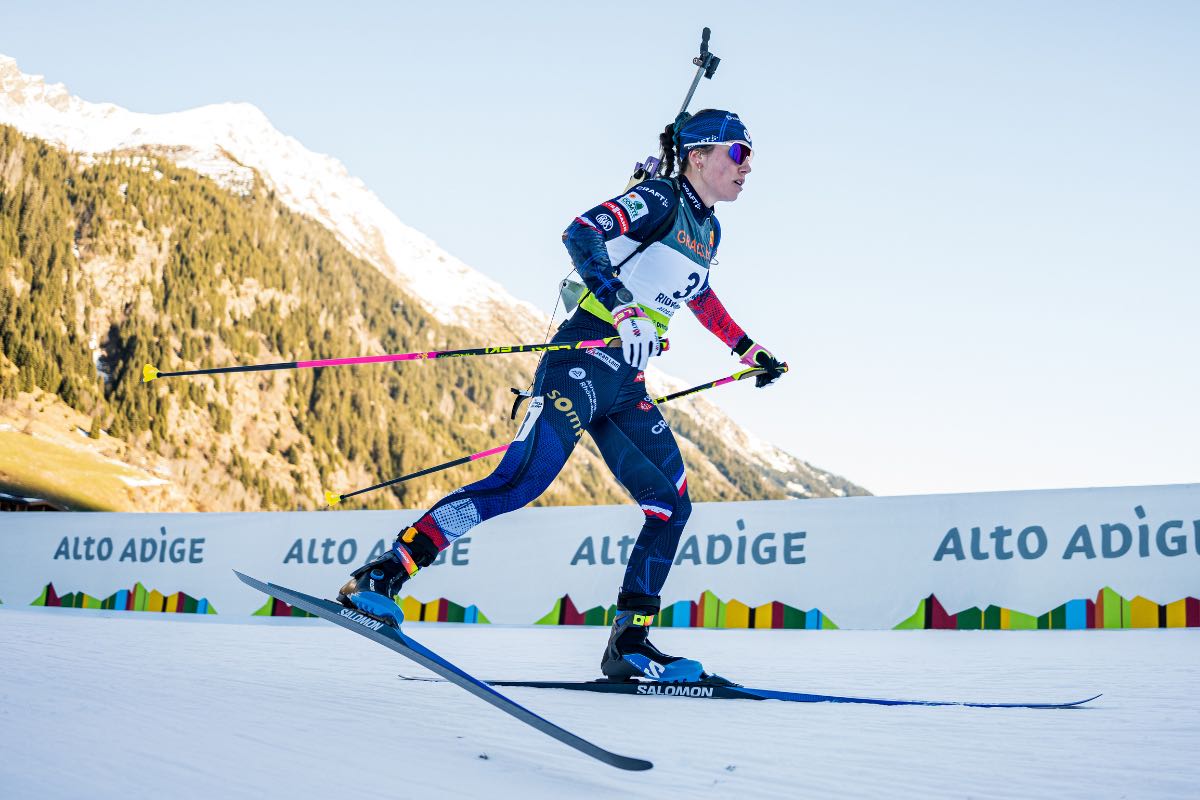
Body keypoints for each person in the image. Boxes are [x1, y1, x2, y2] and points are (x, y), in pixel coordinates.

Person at [337, 109, 785, 683]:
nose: (748, 166)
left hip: (627, 383)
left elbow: (697, 294)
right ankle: (385, 573)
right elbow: (580, 232)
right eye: (739, 152)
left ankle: (629, 644)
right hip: (582, 355)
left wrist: (746, 349)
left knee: (672, 505)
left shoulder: (710, 229)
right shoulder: (657, 198)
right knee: (520, 480)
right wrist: (622, 306)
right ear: (698, 154)